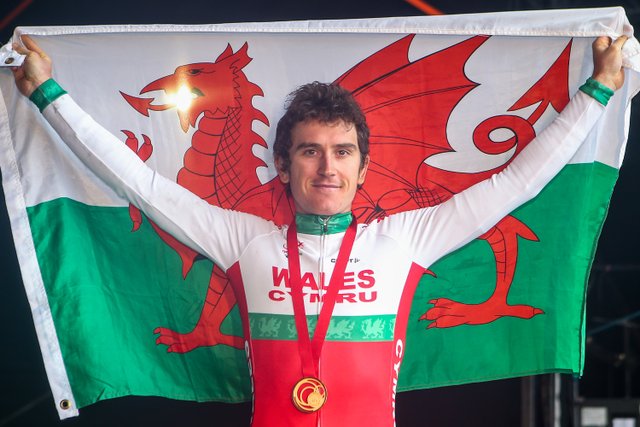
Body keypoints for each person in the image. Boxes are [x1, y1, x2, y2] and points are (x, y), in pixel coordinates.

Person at [11, 34, 627, 426]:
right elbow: (138, 183)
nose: (327, 167)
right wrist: (47, 93)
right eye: (310, 151)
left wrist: (598, 91)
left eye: (342, 151)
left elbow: (516, 184)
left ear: (363, 167)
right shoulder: (243, 241)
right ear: (283, 166)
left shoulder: (405, 241)